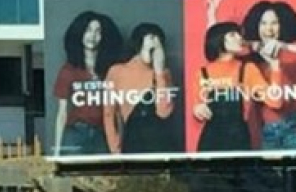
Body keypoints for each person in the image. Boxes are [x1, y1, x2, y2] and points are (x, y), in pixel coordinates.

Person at [238, 0, 296, 150]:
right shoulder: (252, 57)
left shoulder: (294, 49)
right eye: (263, 23)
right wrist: (211, 18)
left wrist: (286, 46)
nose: (268, 29)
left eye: (274, 23)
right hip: (268, 130)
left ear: (283, 25)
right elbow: (222, 47)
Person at [51, 11, 124, 156]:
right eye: (88, 30)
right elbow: (62, 113)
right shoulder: (69, 70)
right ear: (80, 33)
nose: (92, 36)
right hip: (76, 133)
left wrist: (119, 142)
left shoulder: (111, 70)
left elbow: (118, 111)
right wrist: (57, 150)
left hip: (103, 134)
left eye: (98, 31)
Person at [191, 22, 271, 153]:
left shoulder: (247, 69)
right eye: (233, 35)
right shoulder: (203, 73)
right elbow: (197, 112)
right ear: (219, 39)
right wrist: (197, 109)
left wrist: (275, 64)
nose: (239, 38)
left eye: (239, 35)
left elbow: (274, 101)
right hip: (211, 140)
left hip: (238, 137)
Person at [103, 22, 177, 155]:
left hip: (160, 142)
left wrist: (159, 72)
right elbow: (109, 114)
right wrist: (115, 148)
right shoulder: (117, 71)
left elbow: (164, 112)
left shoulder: (164, 74)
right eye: (150, 40)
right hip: (133, 139)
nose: (154, 47)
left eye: (158, 45)